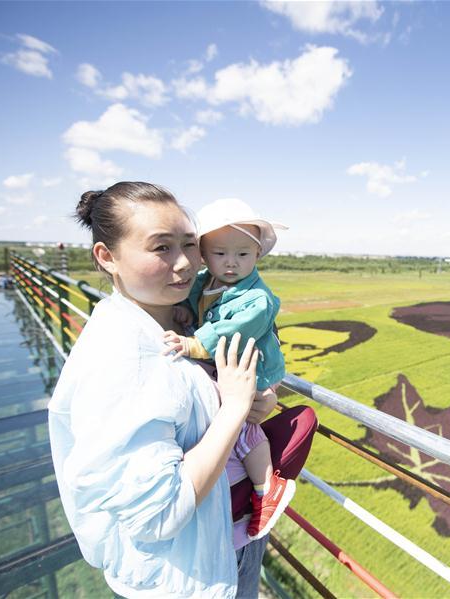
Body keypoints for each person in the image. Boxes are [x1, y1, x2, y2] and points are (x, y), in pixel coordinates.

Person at [48, 182, 315, 598]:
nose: (185, 264)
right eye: (161, 248)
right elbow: (158, 514)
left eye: (190, 244)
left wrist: (255, 401)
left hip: (220, 538)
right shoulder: (127, 360)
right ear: (107, 257)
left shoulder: (175, 317)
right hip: (190, 572)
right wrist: (233, 410)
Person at [161, 198, 293, 540]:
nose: (231, 263)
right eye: (220, 254)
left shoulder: (257, 299)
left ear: (257, 255)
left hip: (254, 368)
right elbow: (197, 300)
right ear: (204, 255)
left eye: (243, 255)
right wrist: (186, 311)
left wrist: (193, 342)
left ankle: (267, 486)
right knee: (231, 420)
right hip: (229, 363)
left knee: (242, 424)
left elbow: (229, 330)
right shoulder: (206, 280)